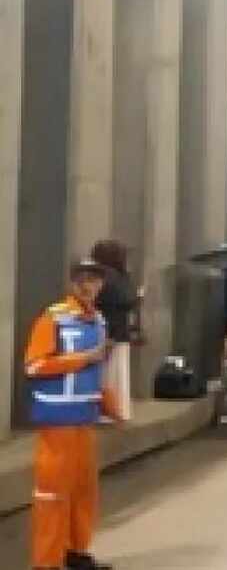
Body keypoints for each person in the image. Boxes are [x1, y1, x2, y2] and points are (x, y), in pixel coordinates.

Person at [24, 258, 119, 570]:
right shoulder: (53, 319)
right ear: (72, 282)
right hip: (57, 423)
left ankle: (75, 553)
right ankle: (47, 562)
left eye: (94, 279)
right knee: (52, 495)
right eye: (83, 278)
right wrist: (82, 358)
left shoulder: (100, 322)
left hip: (84, 420)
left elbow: (99, 370)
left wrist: (109, 404)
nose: (89, 285)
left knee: (83, 491)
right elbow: (34, 366)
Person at [90, 240, 136, 422]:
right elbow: (127, 300)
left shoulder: (104, 277)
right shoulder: (119, 277)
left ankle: (108, 411)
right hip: (118, 331)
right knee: (116, 375)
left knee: (106, 374)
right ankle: (116, 410)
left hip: (106, 330)